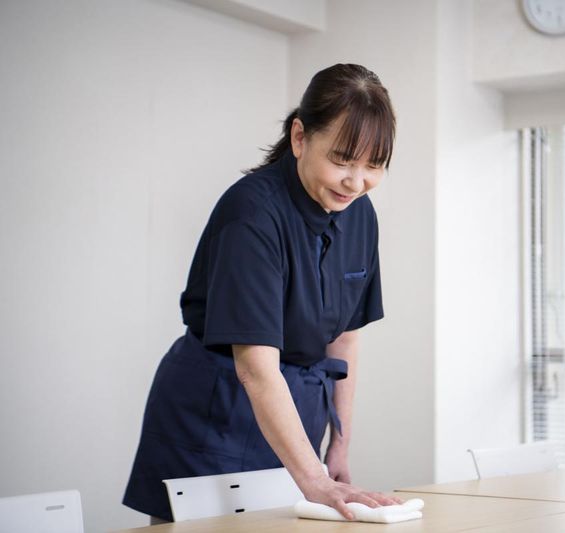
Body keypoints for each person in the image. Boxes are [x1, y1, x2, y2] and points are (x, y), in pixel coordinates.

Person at [123, 63, 400, 523]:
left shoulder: (360, 214)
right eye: (341, 160)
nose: (356, 182)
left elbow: (345, 337)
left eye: (374, 166)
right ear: (299, 137)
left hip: (295, 418)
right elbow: (255, 367)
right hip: (216, 416)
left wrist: (338, 448)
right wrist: (314, 480)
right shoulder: (252, 212)